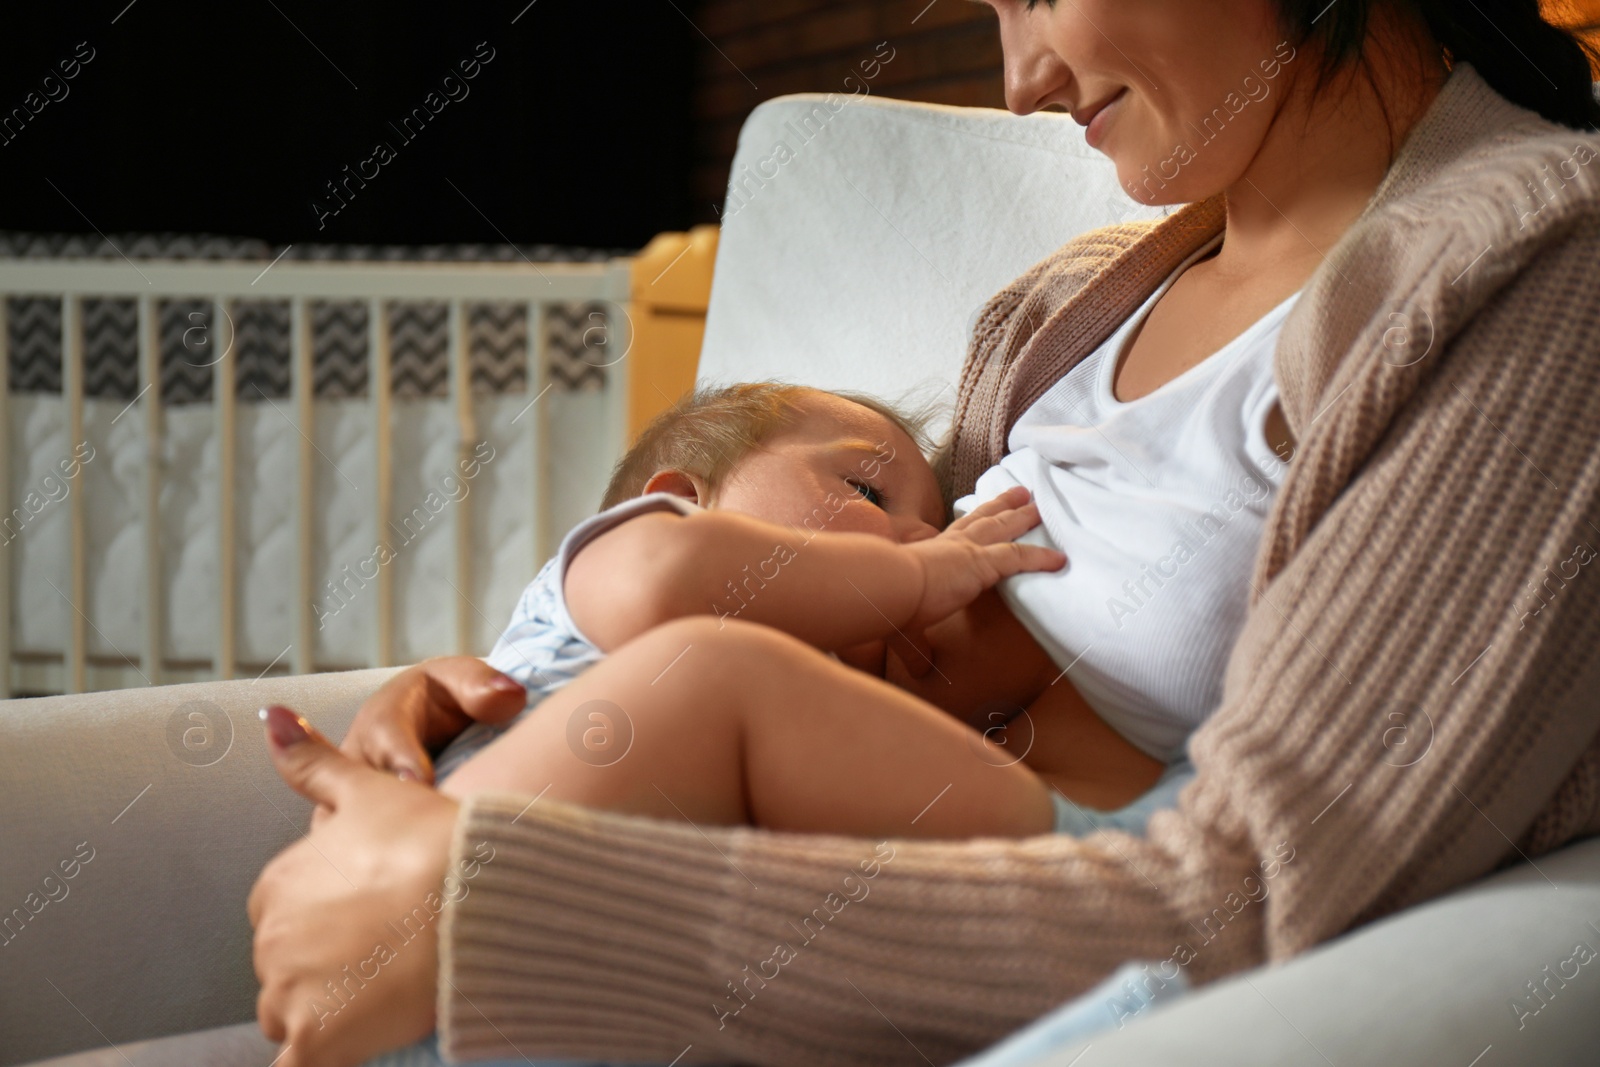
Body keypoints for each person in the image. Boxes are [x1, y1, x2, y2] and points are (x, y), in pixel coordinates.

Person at [249, 2, 1600, 1065]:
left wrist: (503, 907)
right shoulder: (1068, 309)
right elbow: (844, 586)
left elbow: (1253, 905)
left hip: (918, 943)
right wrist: (523, 682)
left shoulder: (1531, 268)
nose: (1021, 82)